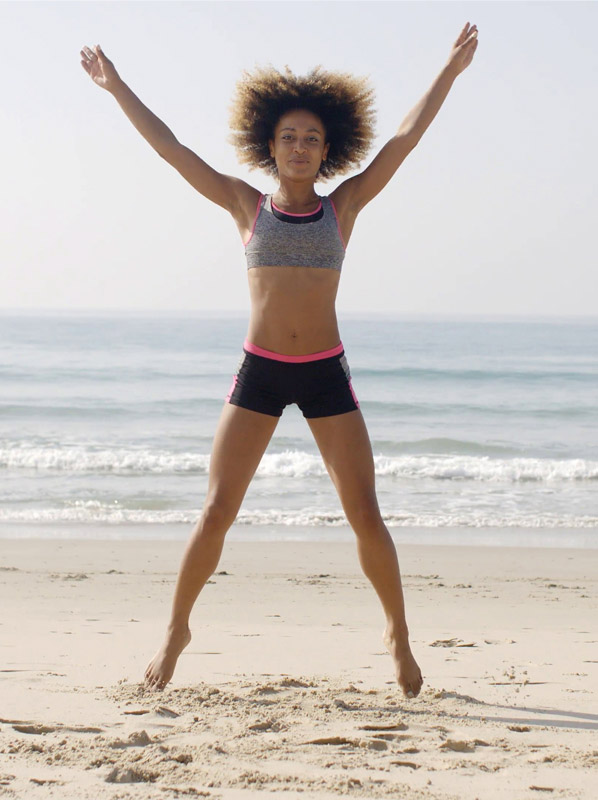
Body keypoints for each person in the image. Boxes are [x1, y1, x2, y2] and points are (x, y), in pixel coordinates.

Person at [80, 22, 478, 698]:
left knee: (366, 515)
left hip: (325, 371)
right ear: (270, 146)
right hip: (260, 370)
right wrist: (116, 86)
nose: (300, 146)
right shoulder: (246, 204)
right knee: (214, 512)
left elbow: (404, 141)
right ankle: (176, 632)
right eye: (289, 137)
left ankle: (398, 635)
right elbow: (172, 150)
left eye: (312, 139)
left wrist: (449, 70)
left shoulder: (343, 205)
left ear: (327, 152)